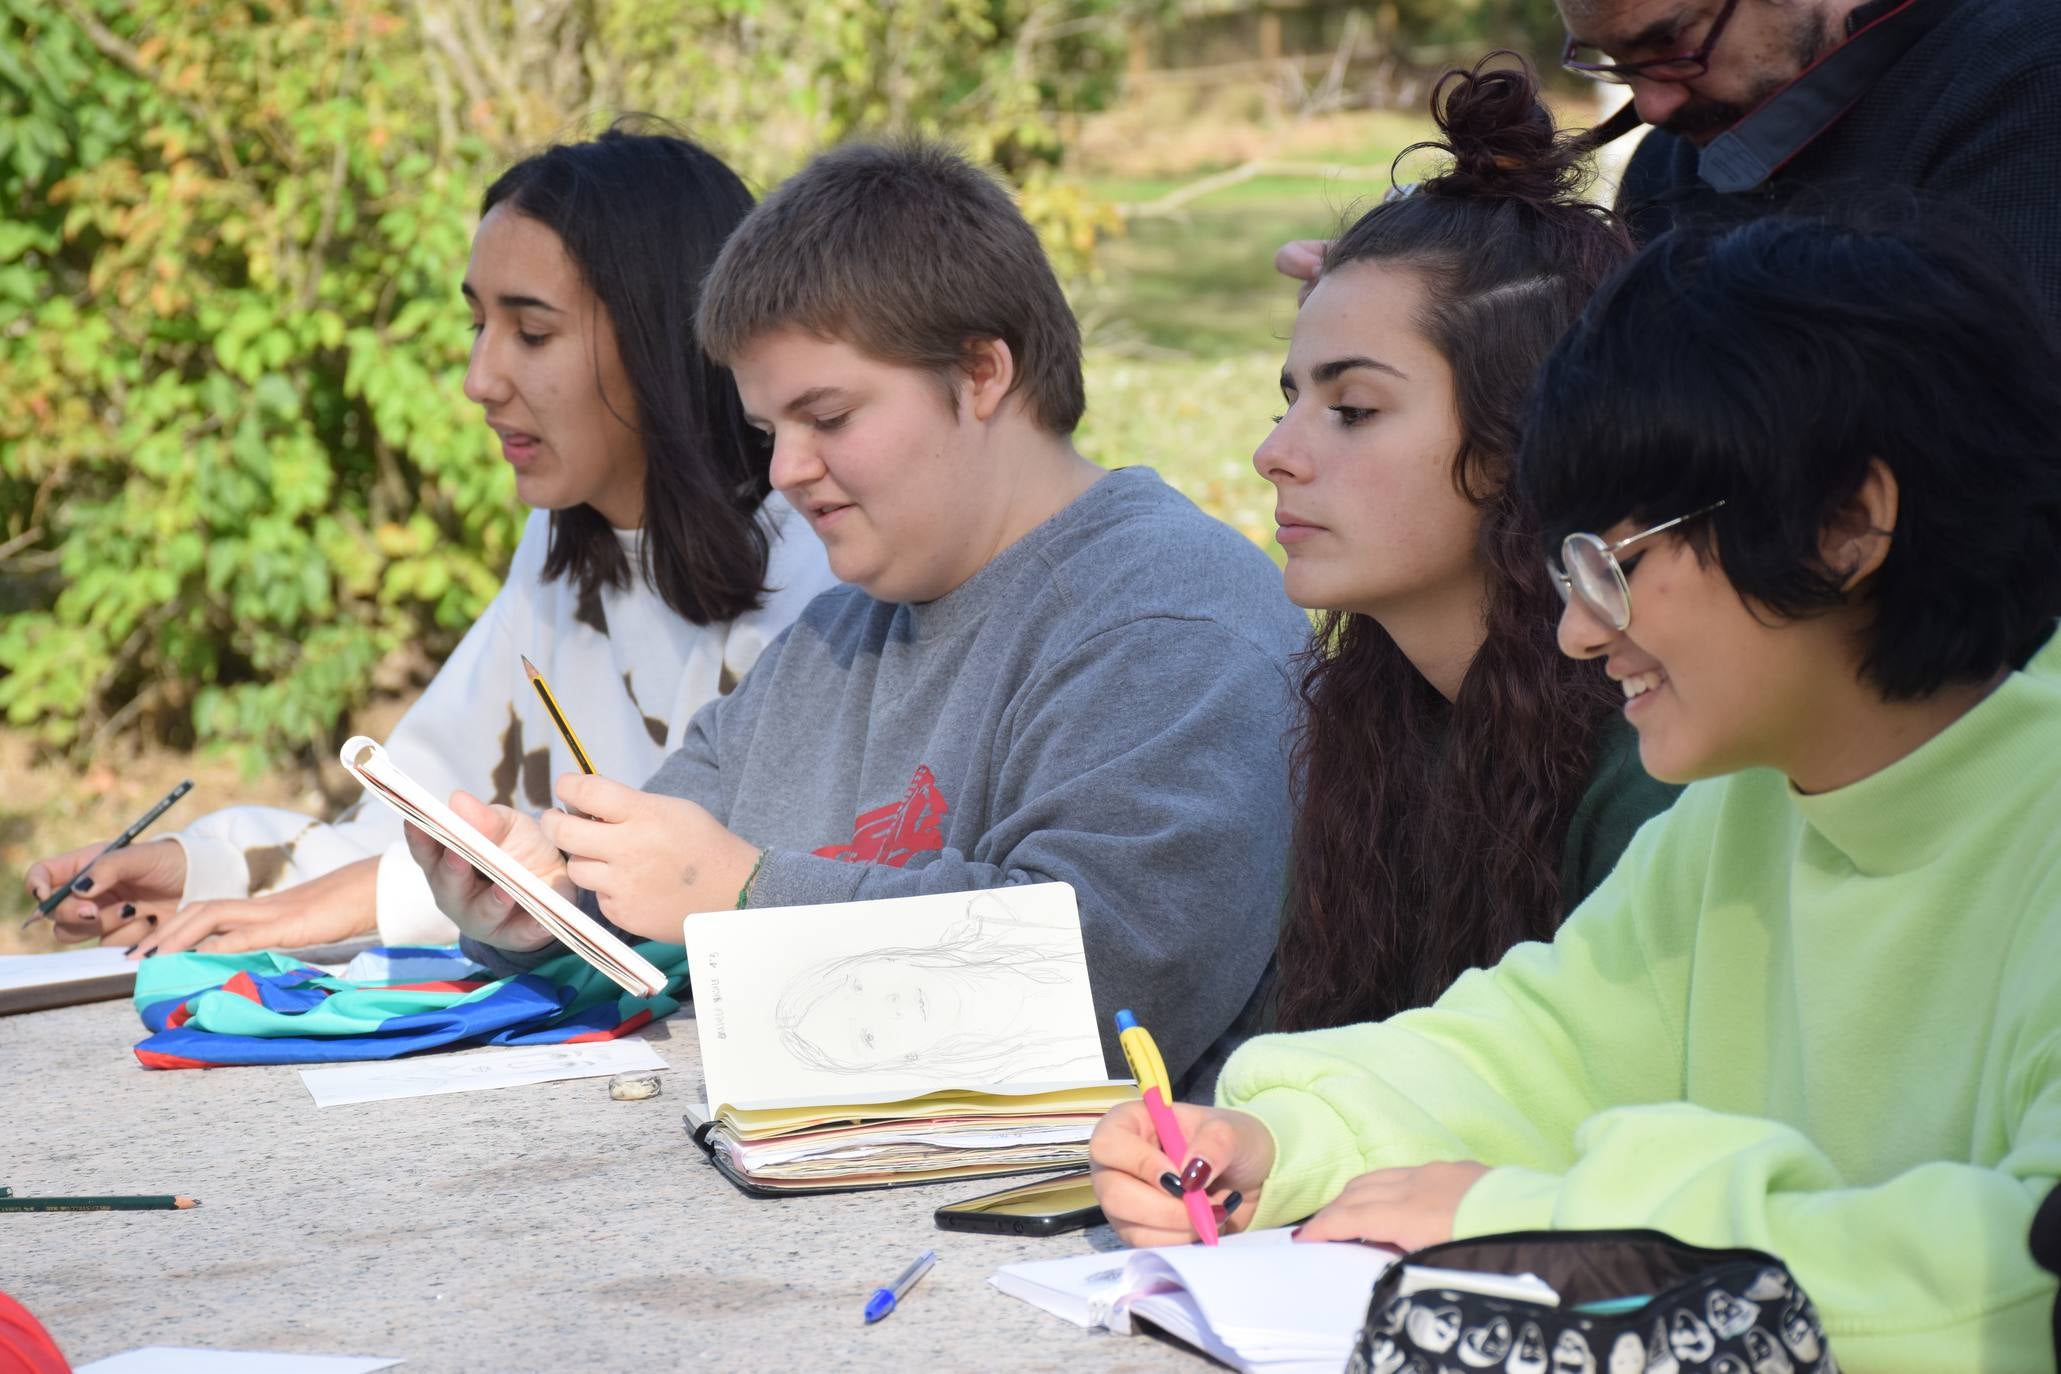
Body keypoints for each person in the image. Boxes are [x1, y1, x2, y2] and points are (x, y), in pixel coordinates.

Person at [1090, 211, 2061, 1371]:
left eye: (1615, 565)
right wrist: (1278, 1139)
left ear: (1846, 526)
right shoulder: (1740, 814)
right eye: (1565, 571)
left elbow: (2015, 1279)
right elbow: (1542, 1047)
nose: (1578, 632)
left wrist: (1555, 1230)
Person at [406, 140, 1311, 1095]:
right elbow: (659, 893)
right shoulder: (833, 641)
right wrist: (538, 907)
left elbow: (1118, 982)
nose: (785, 470)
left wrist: (750, 895)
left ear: (981, 373)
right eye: (768, 432)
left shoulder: (1173, 621)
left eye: (828, 418)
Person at [23, 125, 838, 957]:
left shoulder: (825, 566)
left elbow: (686, 867)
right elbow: (421, 811)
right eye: (477, 325)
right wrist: (202, 868)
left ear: (660, 337)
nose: (478, 381)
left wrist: (348, 903)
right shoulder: (561, 548)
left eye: (531, 333)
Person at [1258, 57, 1679, 1034]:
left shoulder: (1654, 760)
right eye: (1291, 399)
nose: (1274, 455)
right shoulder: (1382, 721)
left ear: (1516, 440)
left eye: (1353, 409)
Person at [1275, 1, 2061, 322]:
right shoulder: (1670, 168)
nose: (1650, 108)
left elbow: (1987, 416)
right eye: (1614, 61)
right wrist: (1446, 306)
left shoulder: (2026, 78)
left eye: (1670, 46)